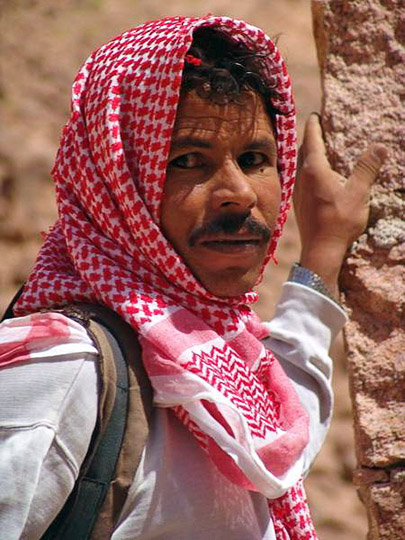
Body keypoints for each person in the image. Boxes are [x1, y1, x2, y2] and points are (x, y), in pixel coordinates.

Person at [0, 15, 386, 540]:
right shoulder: (63, 368)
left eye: (254, 159)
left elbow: (277, 423)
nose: (239, 193)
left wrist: (324, 252)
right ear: (119, 184)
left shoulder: (219, 351)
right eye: (188, 160)